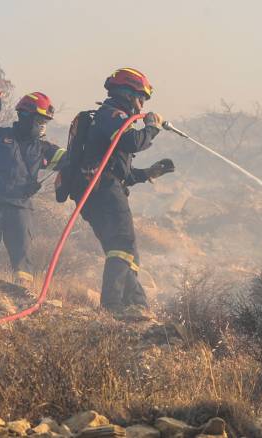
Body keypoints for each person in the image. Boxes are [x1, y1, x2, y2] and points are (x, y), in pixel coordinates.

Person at [79, 68, 175, 320]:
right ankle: (112, 306)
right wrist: (152, 127)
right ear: (126, 93)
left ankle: (137, 305)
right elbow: (132, 142)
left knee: (125, 251)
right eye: (140, 97)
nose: (142, 104)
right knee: (123, 245)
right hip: (104, 193)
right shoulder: (111, 115)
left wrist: (149, 173)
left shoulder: (114, 118)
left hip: (102, 190)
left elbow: (122, 173)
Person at [0, 92, 66, 290]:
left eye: (45, 121)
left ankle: (23, 294)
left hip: (21, 208)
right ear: (25, 116)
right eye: (39, 120)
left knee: (23, 256)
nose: (42, 125)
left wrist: (86, 150)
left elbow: (70, 160)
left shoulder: (43, 148)